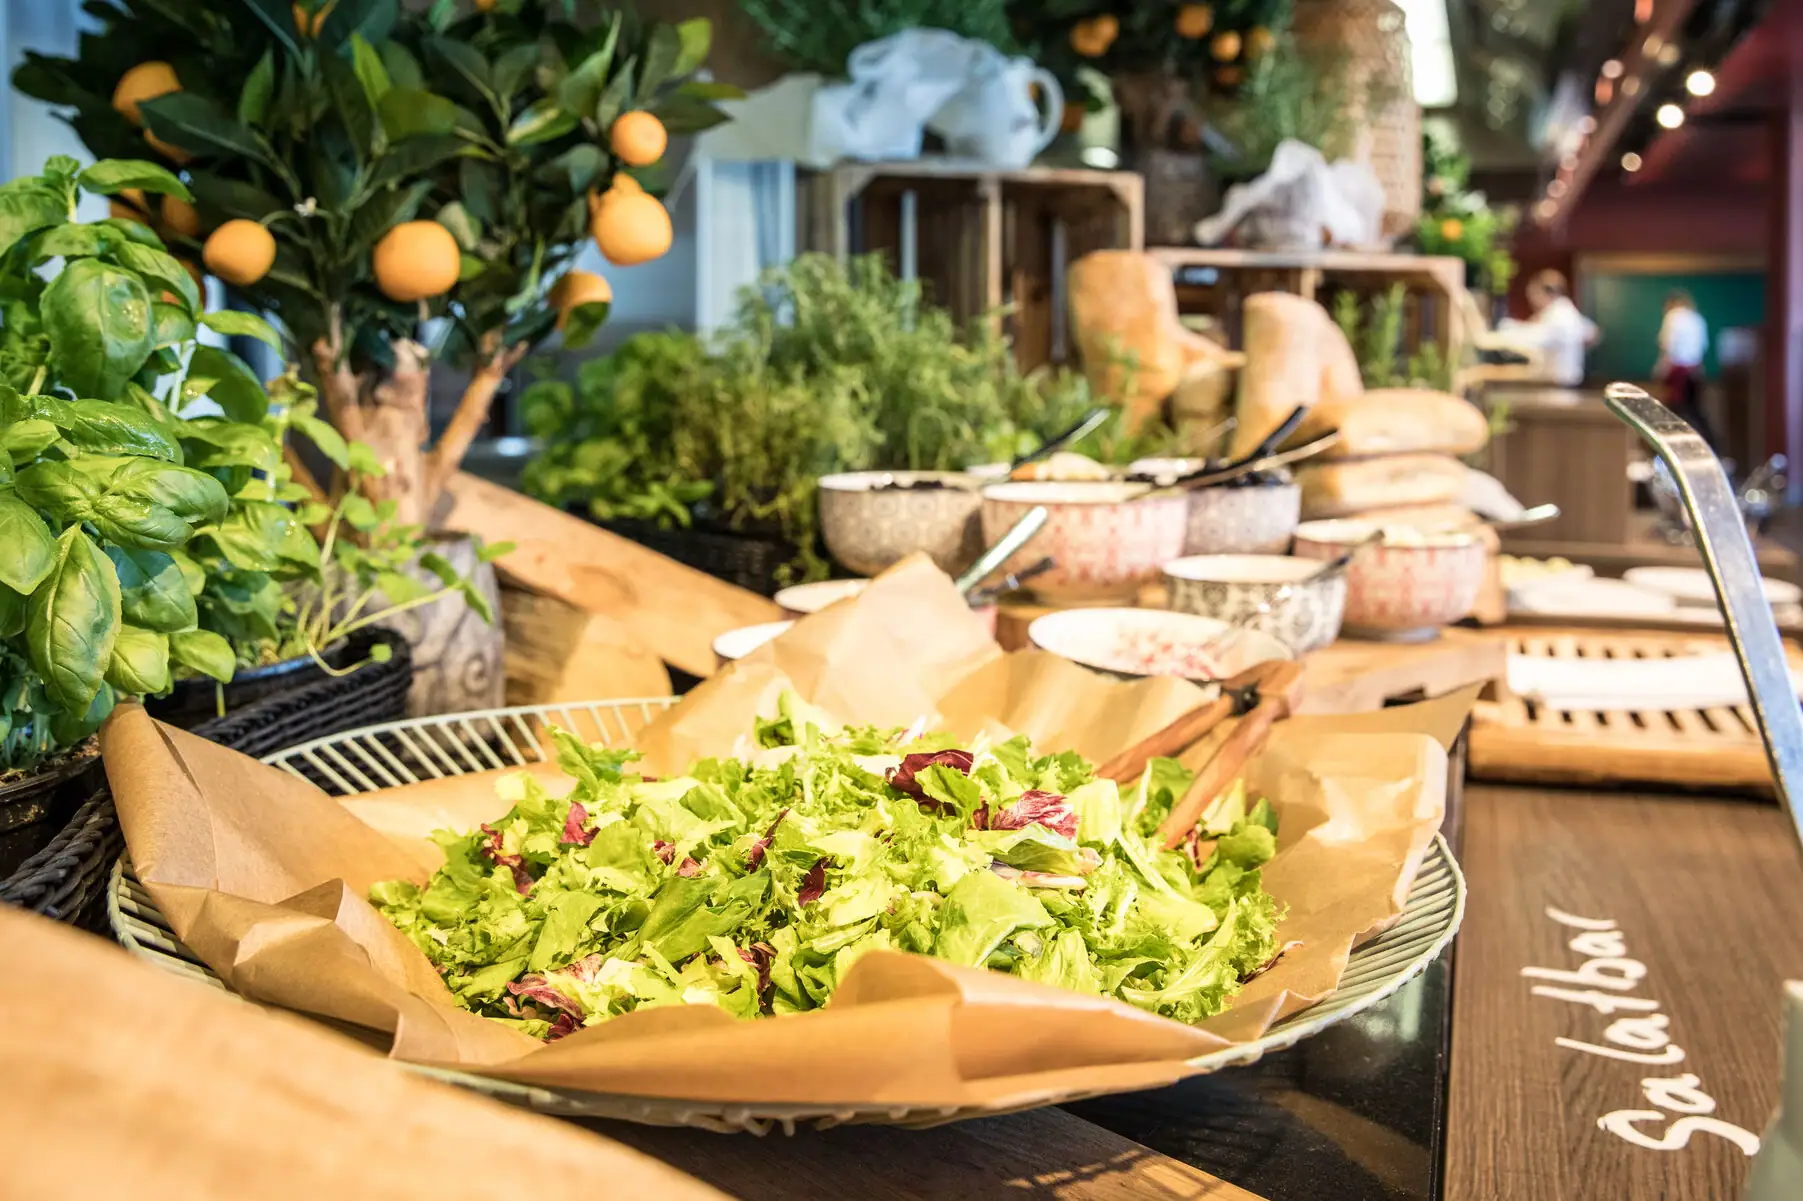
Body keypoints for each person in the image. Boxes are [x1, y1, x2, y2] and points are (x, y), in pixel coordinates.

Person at [1495, 270, 1599, 387]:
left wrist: (1502, 332)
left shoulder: (1559, 316)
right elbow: (1592, 332)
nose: (1531, 300)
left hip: (1558, 385)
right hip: (1560, 382)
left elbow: (1533, 339)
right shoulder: (1563, 310)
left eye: (1532, 293)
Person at [1656, 289, 1716, 449]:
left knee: (1674, 411)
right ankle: (1709, 446)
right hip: (1695, 371)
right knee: (1696, 410)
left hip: (1677, 372)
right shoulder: (1698, 319)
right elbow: (1703, 347)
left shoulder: (1673, 317)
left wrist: (1661, 370)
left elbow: (1668, 346)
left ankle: (1672, 447)